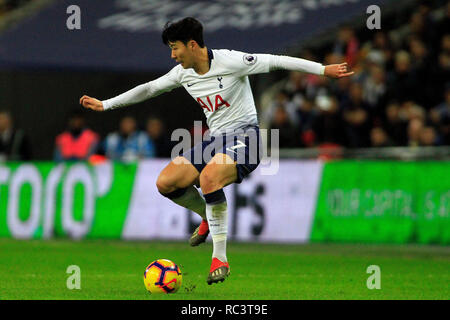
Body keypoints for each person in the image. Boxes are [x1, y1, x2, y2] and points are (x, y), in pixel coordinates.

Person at [79, 17, 354, 285]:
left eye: (175, 47)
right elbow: (149, 88)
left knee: (209, 177)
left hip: (247, 137)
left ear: (192, 45)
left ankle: (219, 259)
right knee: (166, 182)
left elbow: (276, 61)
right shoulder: (182, 73)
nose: (173, 55)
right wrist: (106, 104)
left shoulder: (231, 61)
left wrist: (322, 70)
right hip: (215, 140)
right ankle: (205, 217)